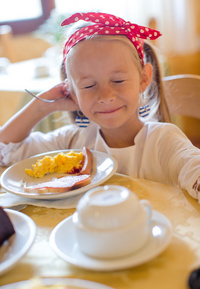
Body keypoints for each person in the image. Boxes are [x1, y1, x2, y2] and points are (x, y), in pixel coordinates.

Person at [0, 12, 199, 202]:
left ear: (144, 78)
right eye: (88, 86)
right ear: (71, 91)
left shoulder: (163, 141)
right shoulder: (72, 142)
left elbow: (194, 169)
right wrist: (42, 105)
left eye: (118, 80)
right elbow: (6, 151)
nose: (105, 96)